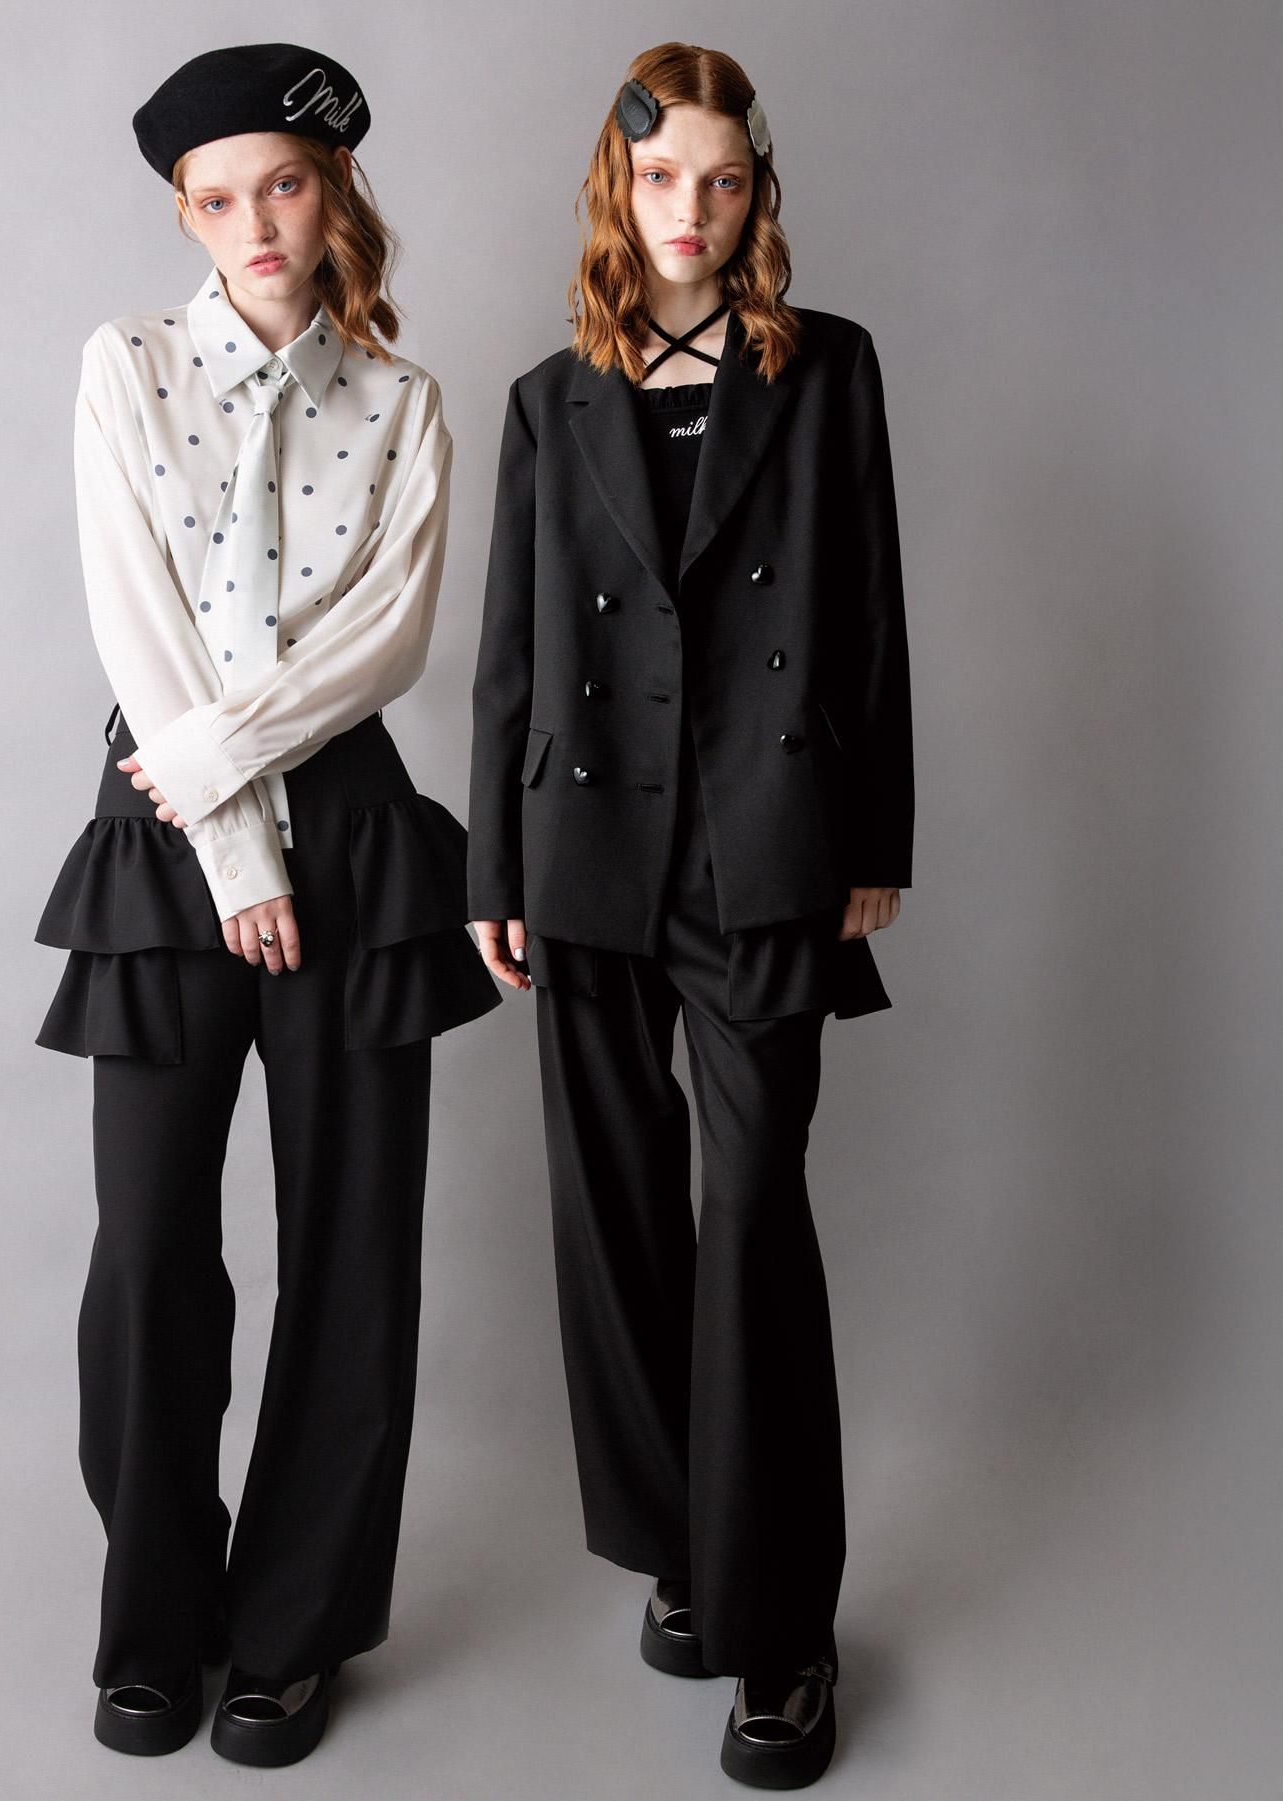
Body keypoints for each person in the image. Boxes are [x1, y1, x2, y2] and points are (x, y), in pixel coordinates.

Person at [32, 40, 499, 1768]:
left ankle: (294, 1631)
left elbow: (387, 642)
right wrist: (236, 849)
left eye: (284, 186)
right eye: (218, 199)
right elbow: (135, 617)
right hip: (171, 839)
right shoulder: (127, 366)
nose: (256, 225)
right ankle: (157, 1621)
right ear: (184, 212)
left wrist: (263, 810)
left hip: (356, 844)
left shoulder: (406, 400)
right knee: (150, 1249)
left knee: (354, 1254)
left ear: (335, 188)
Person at [466, 41, 913, 1791]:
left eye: (723, 180)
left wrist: (874, 832)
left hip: (766, 847)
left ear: (757, 191)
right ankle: (679, 1547)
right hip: (585, 849)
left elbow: (868, 609)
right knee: (616, 1217)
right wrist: (493, 871)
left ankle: (781, 1627)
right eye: (662, 179)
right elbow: (511, 648)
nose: (691, 210)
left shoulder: (827, 368)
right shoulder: (547, 398)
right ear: (619, 186)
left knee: (755, 1218)